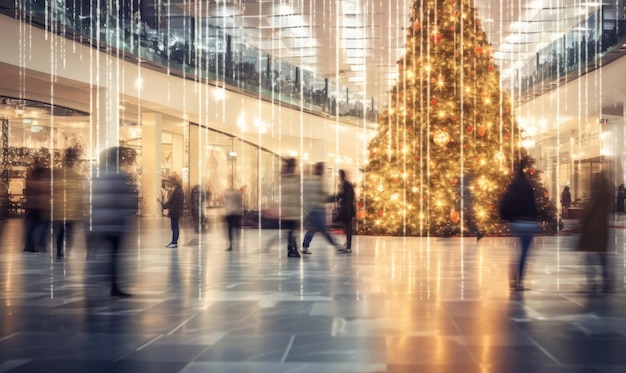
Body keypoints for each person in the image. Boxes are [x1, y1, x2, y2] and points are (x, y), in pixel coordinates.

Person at [91, 146, 138, 297]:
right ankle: (114, 286)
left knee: (99, 254)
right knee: (114, 256)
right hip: (116, 222)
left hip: (99, 222)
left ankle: (100, 283)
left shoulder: (97, 176)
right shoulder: (121, 176)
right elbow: (127, 199)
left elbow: (91, 199)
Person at [499, 158, 539, 291]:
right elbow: (531, 205)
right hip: (527, 222)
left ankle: (513, 280)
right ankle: (519, 282)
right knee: (524, 252)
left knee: (518, 252)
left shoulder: (513, 184)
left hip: (516, 222)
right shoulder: (527, 185)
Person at [577, 171, 612, 292]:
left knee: (589, 257)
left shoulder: (596, 196)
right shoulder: (607, 196)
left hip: (592, 231)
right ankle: (606, 280)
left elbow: (589, 212)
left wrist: (582, 221)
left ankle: (592, 282)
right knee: (603, 257)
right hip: (603, 230)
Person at [51, 146, 86, 259]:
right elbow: (80, 192)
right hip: (72, 208)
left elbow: (55, 189)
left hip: (61, 208)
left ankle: (60, 250)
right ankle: (65, 250)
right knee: (69, 231)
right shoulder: (76, 176)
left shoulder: (59, 174)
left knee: (61, 231)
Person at [301, 162, 340, 255]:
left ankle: (305, 246)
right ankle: (337, 246)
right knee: (323, 230)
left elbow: (307, 196)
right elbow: (324, 195)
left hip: (312, 209)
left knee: (313, 228)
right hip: (319, 209)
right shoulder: (320, 182)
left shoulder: (310, 180)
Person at [23, 157, 51, 253]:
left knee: (30, 227)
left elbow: (26, 192)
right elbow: (48, 193)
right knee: (41, 227)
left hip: (31, 207)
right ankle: (39, 245)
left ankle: (29, 246)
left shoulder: (30, 180)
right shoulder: (44, 181)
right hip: (41, 207)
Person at [281, 158, 301, 257]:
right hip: (292, 210)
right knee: (292, 231)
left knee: (290, 231)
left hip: (287, 210)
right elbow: (296, 195)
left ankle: (290, 249)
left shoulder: (284, 179)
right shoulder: (294, 180)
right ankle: (294, 250)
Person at [335, 169, 356, 253]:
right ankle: (347, 244)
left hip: (347, 209)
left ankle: (348, 246)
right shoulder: (345, 184)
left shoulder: (346, 185)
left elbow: (345, 196)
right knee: (347, 226)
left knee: (347, 226)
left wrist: (339, 197)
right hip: (346, 208)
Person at [163, 174, 184, 248]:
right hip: (175, 211)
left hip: (175, 212)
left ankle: (174, 242)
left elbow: (176, 202)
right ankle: (174, 241)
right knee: (174, 226)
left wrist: (169, 205)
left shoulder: (178, 191)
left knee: (175, 227)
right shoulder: (177, 190)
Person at [461, 174, 484, 241]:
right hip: (467, 206)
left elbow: (467, 198)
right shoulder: (468, 189)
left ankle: (477, 233)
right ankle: (477, 233)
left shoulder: (465, 190)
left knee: (468, 220)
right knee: (469, 220)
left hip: (466, 206)